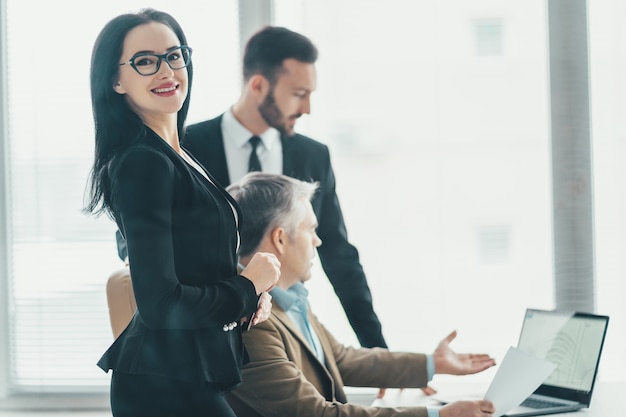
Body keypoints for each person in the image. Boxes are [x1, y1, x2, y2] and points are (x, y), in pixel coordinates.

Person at [84, 9, 279, 416]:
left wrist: (247, 298)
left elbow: (196, 268)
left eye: (175, 55)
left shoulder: (179, 156)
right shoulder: (142, 163)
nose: (166, 70)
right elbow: (160, 304)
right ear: (116, 80)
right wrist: (245, 287)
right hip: (162, 386)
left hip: (190, 373)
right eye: (145, 61)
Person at [182, 25, 387, 350]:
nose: (307, 108)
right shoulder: (186, 147)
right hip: (207, 335)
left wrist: (378, 351)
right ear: (259, 85)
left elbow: (338, 254)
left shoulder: (312, 156)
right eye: (298, 94)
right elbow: (144, 226)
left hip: (285, 338)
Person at [225, 172, 497, 417]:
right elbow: (313, 413)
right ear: (281, 239)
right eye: (311, 230)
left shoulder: (290, 297)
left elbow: (340, 359)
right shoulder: (251, 318)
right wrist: (440, 416)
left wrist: (432, 363)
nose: (318, 241)